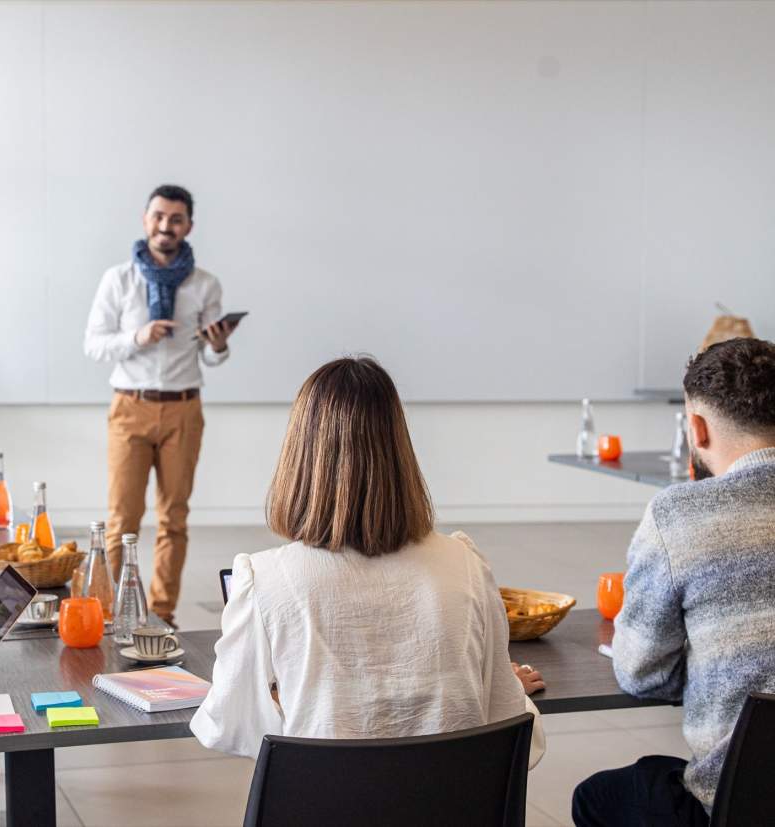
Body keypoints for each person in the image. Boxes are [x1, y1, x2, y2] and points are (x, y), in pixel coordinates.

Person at [190, 357, 545, 765]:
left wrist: (292, 701)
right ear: (399, 451)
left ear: (300, 457)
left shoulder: (265, 578)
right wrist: (502, 690)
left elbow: (225, 726)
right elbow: (512, 727)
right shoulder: (464, 564)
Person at [572, 337, 775, 826]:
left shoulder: (679, 515)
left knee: (597, 797)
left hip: (739, 801)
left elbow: (640, 671)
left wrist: (710, 668)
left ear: (697, 429)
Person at [83, 184, 238, 625]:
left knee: (174, 517)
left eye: (175, 219)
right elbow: (93, 345)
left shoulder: (205, 284)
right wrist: (138, 336)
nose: (165, 226)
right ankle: (112, 614)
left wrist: (219, 345)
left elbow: (211, 355)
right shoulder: (119, 280)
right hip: (130, 406)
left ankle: (164, 612)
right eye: (158, 216)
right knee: (122, 519)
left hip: (184, 408)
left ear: (188, 226)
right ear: (145, 218)